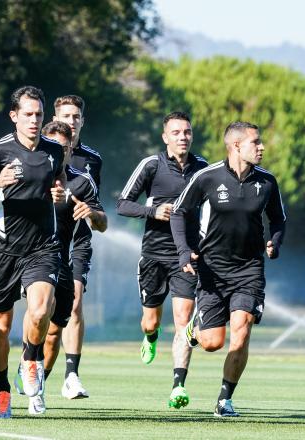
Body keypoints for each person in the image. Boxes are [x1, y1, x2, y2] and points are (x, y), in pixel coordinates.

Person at [0, 86, 66, 419]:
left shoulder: (54, 151)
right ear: (14, 116)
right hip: (5, 251)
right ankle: (3, 390)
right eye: (28, 114)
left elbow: (59, 179)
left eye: (38, 114)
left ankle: (30, 360)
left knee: (39, 311)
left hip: (43, 247)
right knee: (0, 328)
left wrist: (60, 193)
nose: (34, 120)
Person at [171, 121, 286, 417]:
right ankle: (195, 331)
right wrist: (185, 250)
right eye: (255, 142)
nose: (261, 147)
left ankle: (225, 399)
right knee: (211, 343)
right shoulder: (207, 177)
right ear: (236, 146)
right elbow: (180, 212)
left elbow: (278, 220)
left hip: (249, 270)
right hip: (212, 271)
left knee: (242, 328)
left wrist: (274, 241)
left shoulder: (268, 182)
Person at [116, 111, 208, 408]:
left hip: (187, 255)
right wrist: (152, 211)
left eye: (187, 132)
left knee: (183, 321)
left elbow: (213, 209)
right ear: (165, 137)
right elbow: (122, 205)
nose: (183, 137)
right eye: (177, 132)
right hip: (153, 255)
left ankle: (178, 385)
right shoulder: (152, 165)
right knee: (150, 320)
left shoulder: (203, 168)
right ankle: (151, 336)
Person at [20, 121, 107, 414]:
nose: (61, 152)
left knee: (55, 330)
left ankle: (37, 375)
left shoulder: (82, 181)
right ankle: (30, 368)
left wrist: (92, 213)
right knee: (39, 308)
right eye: (55, 147)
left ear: (70, 149)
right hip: (30, 255)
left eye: (65, 148)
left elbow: (103, 223)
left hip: (62, 260)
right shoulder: (28, 175)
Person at [51, 95, 104, 398]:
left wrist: (92, 214)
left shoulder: (93, 160)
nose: (71, 121)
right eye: (65, 116)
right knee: (47, 310)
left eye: (76, 116)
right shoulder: (44, 151)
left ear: (82, 121)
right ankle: (33, 363)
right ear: (55, 119)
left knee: (75, 301)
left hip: (79, 238)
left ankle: (72, 375)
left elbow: (95, 202)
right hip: (47, 241)